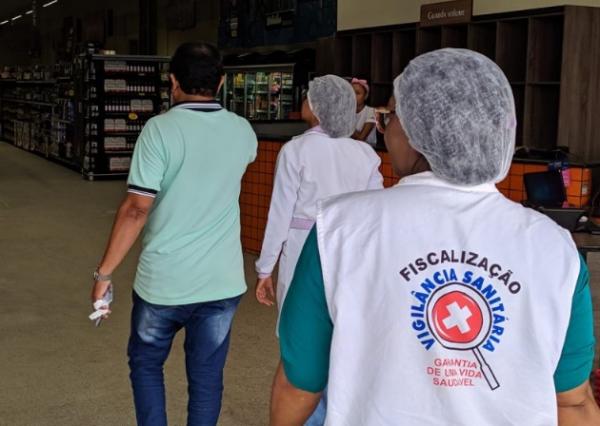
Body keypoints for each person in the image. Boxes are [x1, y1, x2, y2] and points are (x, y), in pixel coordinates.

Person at [269, 49, 600, 425]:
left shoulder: (339, 227)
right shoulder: (554, 247)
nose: (386, 129)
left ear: (413, 131)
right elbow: (572, 403)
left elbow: (299, 384)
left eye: (390, 117)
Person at [90, 42, 257, 426]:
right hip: (221, 281)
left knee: (147, 364)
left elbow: (136, 208)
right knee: (206, 377)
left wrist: (104, 274)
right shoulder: (242, 131)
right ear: (221, 83)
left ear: (173, 81)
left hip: (164, 281)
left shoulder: (159, 130)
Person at [255, 75, 383, 424]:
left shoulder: (296, 150)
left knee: (302, 336)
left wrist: (265, 268)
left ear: (315, 107)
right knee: (342, 332)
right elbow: (375, 210)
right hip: (352, 255)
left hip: (301, 250)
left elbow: (279, 212)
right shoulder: (365, 154)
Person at [350, 78, 377, 146]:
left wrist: (344, 126)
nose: (353, 96)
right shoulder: (346, 111)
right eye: (351, 93)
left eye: (357, 93)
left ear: (365, 96)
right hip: (350, 147)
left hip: (366, 149)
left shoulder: (371, 111)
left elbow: (361, 138)